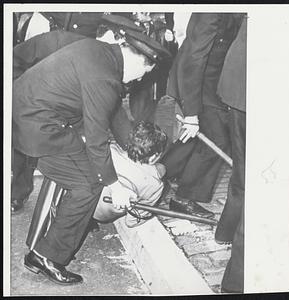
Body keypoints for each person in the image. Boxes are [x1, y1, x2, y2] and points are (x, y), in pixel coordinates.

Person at [12, 28, 171, 285]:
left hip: (25, 109)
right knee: (90, 182)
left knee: (83, 165)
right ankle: (46, 256)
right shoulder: (105, 79)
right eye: (144, 73)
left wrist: (131, 151)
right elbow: (97, 138)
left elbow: (107, 114)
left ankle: (76, 216)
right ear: (138, 61)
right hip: (35, 126)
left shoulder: (98, 50)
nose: (139, 79)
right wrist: (114, 185)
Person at [11, 15, 145, 214]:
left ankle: (78, 210)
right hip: (22, 102)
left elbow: (113, 111)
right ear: (113, 38)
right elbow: (14, 58)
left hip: (54, 113)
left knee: (74, 155)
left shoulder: (103, 66)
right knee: (22, 147)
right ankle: (16, 193)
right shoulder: (58, 42)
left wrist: (133, 150)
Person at [161, 13, 244, 217]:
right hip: (196, 81)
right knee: (218, 139)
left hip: (212, 81)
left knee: (193, 138)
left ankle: (158, 175)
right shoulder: (212, 12)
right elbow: (194, 58)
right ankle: (185, 198)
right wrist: (191, 114)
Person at [215, 15, 247, 293]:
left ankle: (224, 231)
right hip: (259, 93)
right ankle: (237, 281)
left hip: (239, 92)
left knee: (242, 173)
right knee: (264, 189)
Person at [93, 121, 167, 228]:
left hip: (80, 204)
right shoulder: (155, 185)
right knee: (161, 170)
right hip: (100, 216)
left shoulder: (110, 150)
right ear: (154, 157)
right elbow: (132, 221)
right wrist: (150, 213)